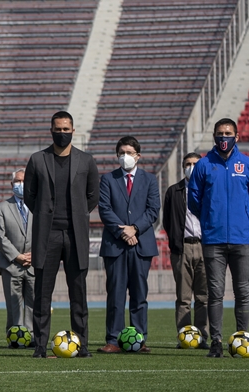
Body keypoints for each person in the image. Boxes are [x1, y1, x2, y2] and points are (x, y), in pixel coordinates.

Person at [23, 110, 99, 359]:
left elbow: (93, 196)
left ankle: (82, 345)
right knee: (42, 295)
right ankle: (40, 346)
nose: (62, 133)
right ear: (51, 130)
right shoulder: (37, 160)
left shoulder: (86, 161)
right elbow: (30, 196)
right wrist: (45, 214)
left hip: (76, 235)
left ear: (73, 131)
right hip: (47, 236)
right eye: (58, 129)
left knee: (78, 294)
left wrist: (78, 214)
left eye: (66, 129)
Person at [188, 117, 249, 358]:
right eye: (220, 133)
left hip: (242, 239)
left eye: (228, 133)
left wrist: (244, 217)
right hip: (213, 240)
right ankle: (217, 341)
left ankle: (243, 336)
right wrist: (210, 219)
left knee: (243, 292)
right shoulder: (203, 165)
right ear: (214, 136)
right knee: (215, 293)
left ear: (236, 137)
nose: (224, 137)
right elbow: (194, 200)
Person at [96, 136, 160, 353]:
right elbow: (105, 209)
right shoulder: (108, 179)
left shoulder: (150, 180)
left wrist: (135, 229)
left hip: (141, 246)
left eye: (129, 153)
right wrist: (124, 232)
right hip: (115, 245)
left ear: (138, 156)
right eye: (122, 153)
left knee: (139, 295)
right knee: (115, 295)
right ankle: (113, 340)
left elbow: (153, 209)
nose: (125, 156)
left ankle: (139, 339)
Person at [162, 152, 208, 348]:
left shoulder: (210, 188)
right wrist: (175, 242)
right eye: (187, 164)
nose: (191, 167)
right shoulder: (174, 191)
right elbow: (167, 221)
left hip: (205, 247)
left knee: (204, 297)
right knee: (183, 297)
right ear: (183, 168)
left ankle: (203, 336)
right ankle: (185, 337)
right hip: (182, 248)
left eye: (195, 164)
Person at [0, 168, 34, 339]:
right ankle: (15, 337)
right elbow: (0, 236)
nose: (21, 184)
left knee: (34, 304)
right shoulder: (2, 207)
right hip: (11, 264)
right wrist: (17, 256)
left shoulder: (40, 206)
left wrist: (34, 254)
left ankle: (32, 336)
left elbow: (45, 233)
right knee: (13, 305)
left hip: (34, 264)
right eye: (17, 181)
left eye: (24, 181)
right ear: (12, 184)